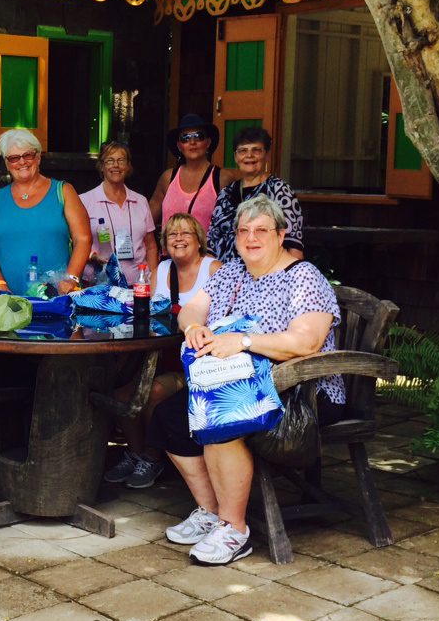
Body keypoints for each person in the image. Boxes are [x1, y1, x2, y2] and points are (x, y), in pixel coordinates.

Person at [151, 195, 344, 565]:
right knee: (170, 416)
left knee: (222, 418)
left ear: (281, 234)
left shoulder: (302, 277)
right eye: (244, 231)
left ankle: (236, 529)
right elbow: (193, 307)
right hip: (238, 382)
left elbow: (307, 342)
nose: (251, 238)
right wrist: (193, 327)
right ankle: (212, 512)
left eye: (261, 230)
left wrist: (242, 341)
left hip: (302, 392)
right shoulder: (234, 272)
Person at [105, 212, 221, 489]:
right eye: (172, 234)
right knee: (120, 393)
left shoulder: (213, 269)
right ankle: (135, 452)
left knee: (154, 392)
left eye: (185, 233)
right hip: (160, 354)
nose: (178, 239)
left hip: (196, 362)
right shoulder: (162, 270)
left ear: (199, 240)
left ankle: (152, 457)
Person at [0, 128, 91, 296]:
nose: (22, 162)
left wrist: (71, 280)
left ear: (38, 157)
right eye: (14, 158)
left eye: (27, 155)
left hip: (56, 297)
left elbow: (83, 238)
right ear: (7, 164)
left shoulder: (63, 191)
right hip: (7, 302)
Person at [207, 127, 305, 263]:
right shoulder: (226, 193)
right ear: (236, 157)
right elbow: (211, 243)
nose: (249, 155)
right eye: (243, 151)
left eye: (256, 150)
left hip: (265, 277)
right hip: (224, 276)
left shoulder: (279, 190)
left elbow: (294, 249)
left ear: (267, 155)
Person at [80, 142, 158, 286]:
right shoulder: (84, 201)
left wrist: (153, 278)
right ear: (101, 166)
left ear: (128, 166)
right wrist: (92, 255)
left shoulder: (140, 201)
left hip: (139, 283)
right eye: (110, 160)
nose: (115, 165)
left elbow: (151, 245)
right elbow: (74, 242)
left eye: (121, 160)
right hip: (99, 285)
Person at [150, 113, 228, 235]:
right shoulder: (167, 178)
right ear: (179, 146)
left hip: (208, 254)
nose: (192, 142)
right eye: (185, 138)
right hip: (169, 253)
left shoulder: (221, 178)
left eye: (198, 136)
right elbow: (146, 223)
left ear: (208, 142)